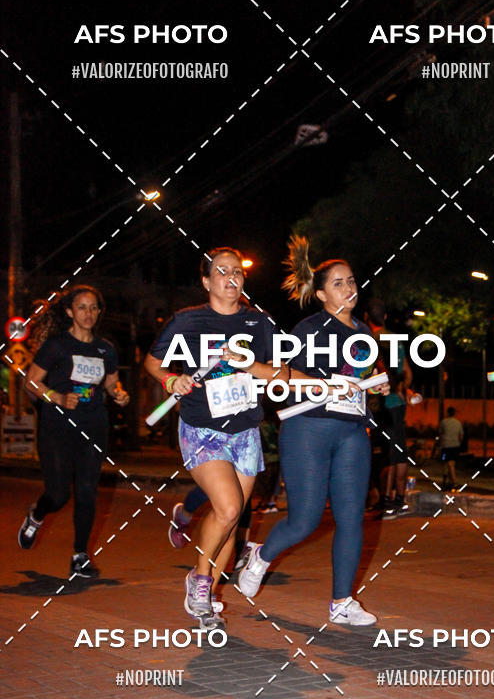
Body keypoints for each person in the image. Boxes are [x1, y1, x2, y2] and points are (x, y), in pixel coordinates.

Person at [238, 236, 389, 625]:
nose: (349, 288)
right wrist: (324, 385)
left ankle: (342, 602)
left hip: (352, 430)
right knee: (304, 519)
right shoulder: (310, 329)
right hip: (308, 428)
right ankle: (261, 556)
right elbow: (284, 376)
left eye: (351, 281)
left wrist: (378, 383)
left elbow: (361, 375)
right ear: (321, 294)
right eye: (338, 283)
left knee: (351, 518)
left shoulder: (364, 332)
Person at [144, 247, 283, 629]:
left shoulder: (259, 323)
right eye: (222, 271)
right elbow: (152, 363)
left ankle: (204, 600)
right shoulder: (187, 321)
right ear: (206, 281)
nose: (231, 277)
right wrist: (171, 380)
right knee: (227, 507)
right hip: (202, 429)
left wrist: (250, 364)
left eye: (237, 271)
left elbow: (279, 372)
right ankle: (201, 582)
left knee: (232, 520)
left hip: (245, 431)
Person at [18, 285, 129, 576]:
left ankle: (80, 556)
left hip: (93, 426)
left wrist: (118, 393)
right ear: (69, 312)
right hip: (57, 426)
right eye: (82, 307)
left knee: (87, 491)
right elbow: (31, 381)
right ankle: (36, 514)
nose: (88, 313)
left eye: (93, 308)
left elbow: (111, 382)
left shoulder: (105, 349)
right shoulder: (57, 346)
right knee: (58, 494)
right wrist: (56, 397)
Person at [364, 299, 413, 519]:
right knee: (400, 450)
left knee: (386, 453)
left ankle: (385, 501)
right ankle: (399, 499)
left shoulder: (369, 342)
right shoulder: (396, 340)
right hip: (399, 403)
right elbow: (407, 372)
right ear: (384, 317)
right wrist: (402, 388)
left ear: (367, 317)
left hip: (381, 404)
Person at [439, 407, 464, 490]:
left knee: (447, 463)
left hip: (445, 446)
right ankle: (450, 482)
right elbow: (461, 435)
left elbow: (440, 433)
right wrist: (458, 443)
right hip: (455, 446)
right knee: (452, 463)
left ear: (447, 413)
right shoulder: (458, 423)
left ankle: (453, 482)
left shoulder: (443, 422)